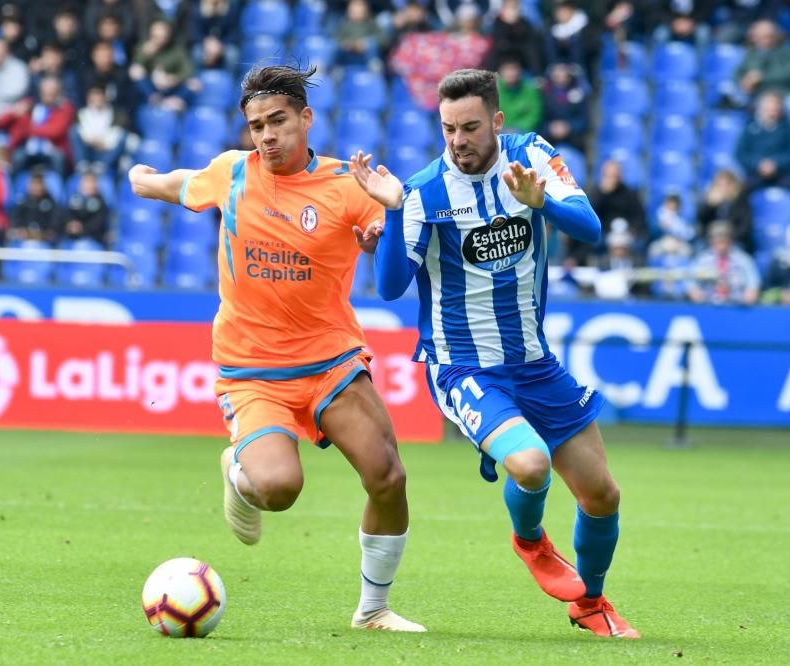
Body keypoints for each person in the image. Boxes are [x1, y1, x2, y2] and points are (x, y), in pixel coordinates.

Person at [127, 64, 425, 633]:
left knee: (388, 476)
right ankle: (240, 471)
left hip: (331, 361)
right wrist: (143, 179)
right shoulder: (232, 173)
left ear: (306, 118)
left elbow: (394, 264)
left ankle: (374, 608)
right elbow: (177, 184)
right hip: (253, 370)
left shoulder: (348, 184)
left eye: (279, 121)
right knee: (280, 489)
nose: (266, 135)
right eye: (256, 125)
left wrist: (382, 229)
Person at [351, 68, 641, 639]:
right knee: (530, 464)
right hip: (462, 366)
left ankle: (591, 603)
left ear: (498, 122)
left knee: (603, 494)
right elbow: (389, 288)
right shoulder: (422, 192)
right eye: (448, 129)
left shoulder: (530, 155)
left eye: (471, 127)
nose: (459, 140)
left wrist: (542, 203)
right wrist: (388, 212)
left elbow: (588, 226)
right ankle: (530, 540)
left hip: (535, 362)